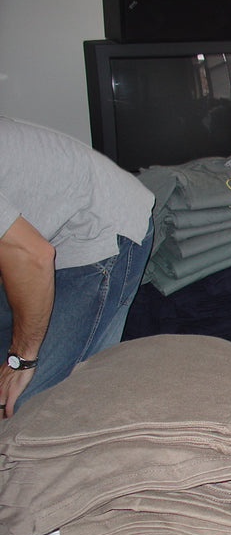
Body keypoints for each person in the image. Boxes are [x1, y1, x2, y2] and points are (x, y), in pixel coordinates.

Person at [0, 117, 154, 416]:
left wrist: (21, 359)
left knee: (27, 404)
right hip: (41, 235)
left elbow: (34, 255)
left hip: (100, 228)